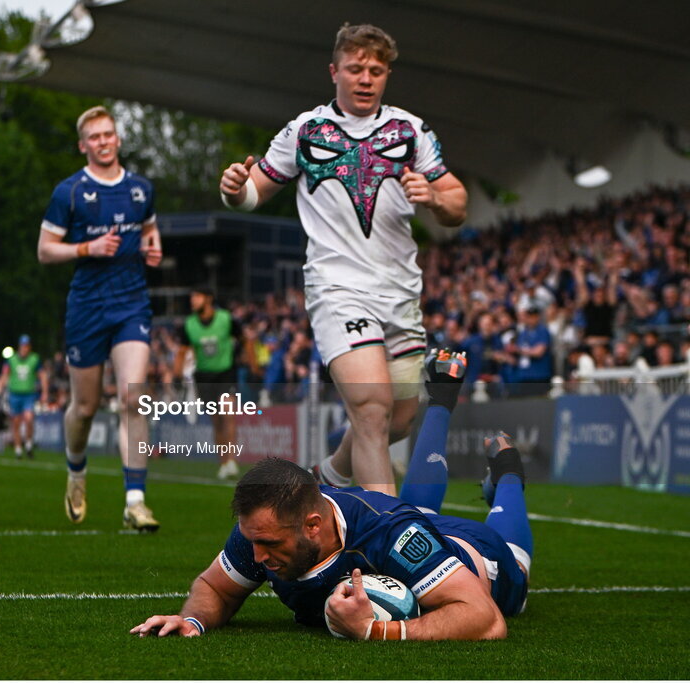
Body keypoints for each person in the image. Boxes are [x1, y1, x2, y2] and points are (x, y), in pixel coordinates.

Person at [219, 23, 467, 496]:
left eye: (376, 70)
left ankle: (330, 473)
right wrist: (235, 190)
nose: (366, 78)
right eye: (356, 69)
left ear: (387, 74)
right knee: (372, 410)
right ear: (334, 72)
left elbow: (457, 203)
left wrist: (433, 195)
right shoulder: (305, 130)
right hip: (337, 288)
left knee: (398, 418)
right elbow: (254, 192)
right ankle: (386, 538)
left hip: (400, 294)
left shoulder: (410, 130)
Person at [131, 351, 532, 640]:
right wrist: (193, 621)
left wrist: (378, 631)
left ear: (313, 525)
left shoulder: (391, 534)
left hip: (478, 558)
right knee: (417, 513)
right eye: (253, 542)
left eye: (268, 544)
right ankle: (442, 394)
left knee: (514, 558)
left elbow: (486, 619)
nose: (256, 558)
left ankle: (509, 473)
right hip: (407, 527)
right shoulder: (260, 530)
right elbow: (215, 587)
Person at [37, 105, 163, 531]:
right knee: (85, 406)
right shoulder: (69, 192)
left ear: (118, 139)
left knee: (133, 397)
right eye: (94, 137)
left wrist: (153, 248)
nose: (103, 142)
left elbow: (149, 229)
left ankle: (135, 501)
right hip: (87, 307)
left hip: (131, 304)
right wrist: (84, 249)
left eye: (108, 134)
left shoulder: (141, 189)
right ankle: (76, 470)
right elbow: (44, 249)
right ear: (83, 145)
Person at [173, 286, 243, 479]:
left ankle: (232, 461)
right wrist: (176, 375)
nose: (193, 300)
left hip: (226, 372)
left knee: (228, 414)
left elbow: (244, 339)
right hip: (204, 376)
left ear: (209, 299)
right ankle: (223, 462)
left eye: (197, 296)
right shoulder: (189, 325)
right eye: (192, 297)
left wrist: (250, 362)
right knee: (217, 421)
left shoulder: (226, 319)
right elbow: (182, 352)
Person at [2, 335, 48, 458]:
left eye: (27, 346)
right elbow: (5, 374)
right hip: (14, 394)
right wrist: (0, 387)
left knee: (29, 418)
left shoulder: (34, 359)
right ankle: (18, 449)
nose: (25, 349)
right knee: (16, 422)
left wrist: (45, 392)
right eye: (23, 346)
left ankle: (28, 444)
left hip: (28, 394)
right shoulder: (11, 359)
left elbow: (42, 376)